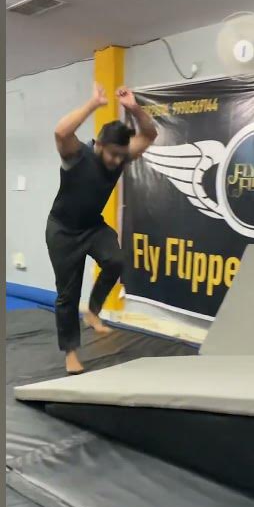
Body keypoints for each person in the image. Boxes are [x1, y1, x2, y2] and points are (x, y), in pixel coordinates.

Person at [47, 83, 157, 373]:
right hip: (62, 230)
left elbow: (149, 135)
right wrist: (93, 104)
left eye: (122, 155)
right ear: (99, 145)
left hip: (92, 226)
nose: (118, 161)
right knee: (67, 294)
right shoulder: (77, 155)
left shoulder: (120, 156)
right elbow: (60, 132)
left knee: (115, 260)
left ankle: (93, 311)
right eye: (113, 154)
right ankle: (71, 353)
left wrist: (134, 108)